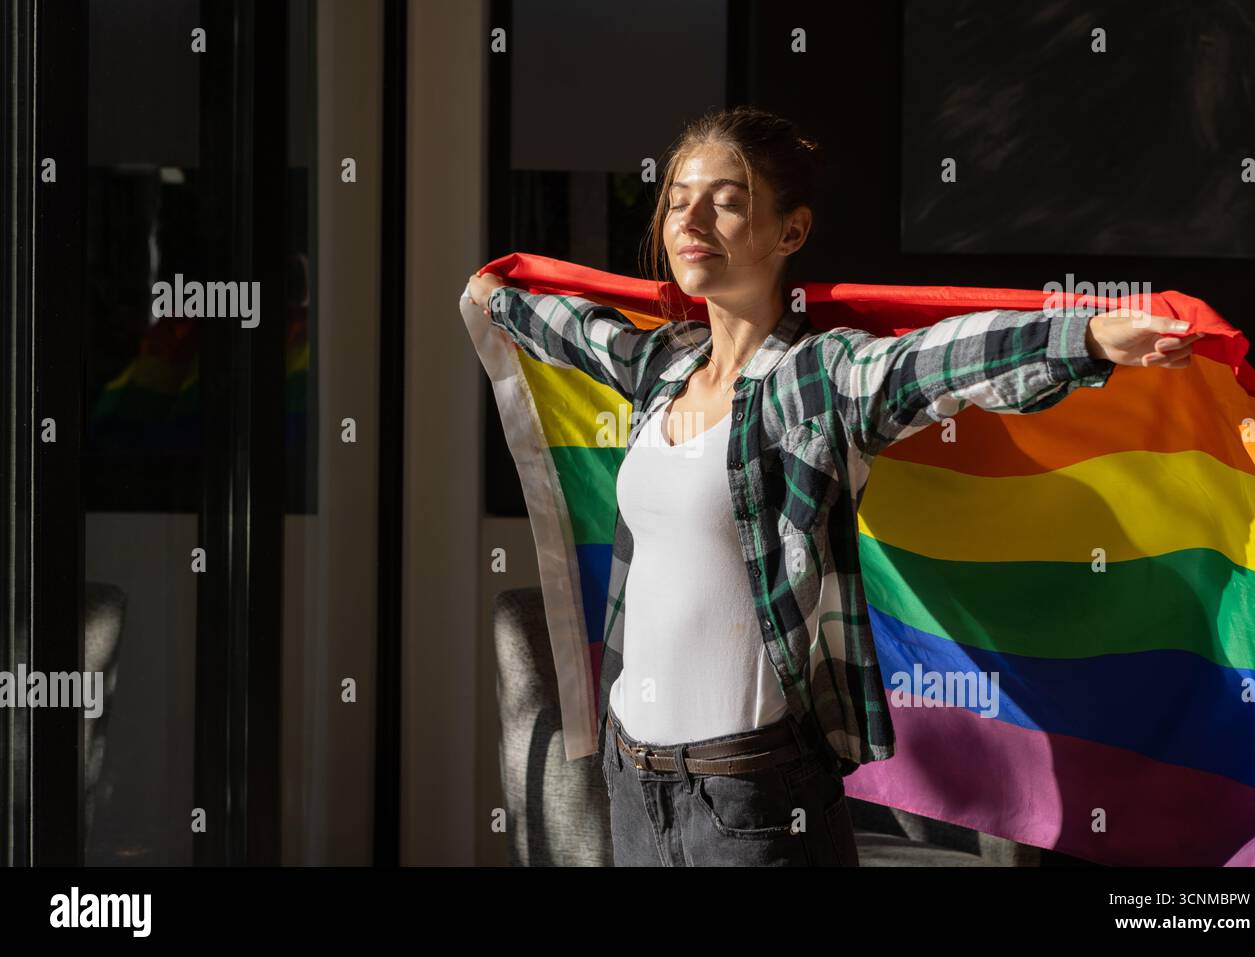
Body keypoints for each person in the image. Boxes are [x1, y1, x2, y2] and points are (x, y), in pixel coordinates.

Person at [464, 106, 1203, 867]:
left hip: (751, 797)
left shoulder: (818, 379)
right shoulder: (664, 368)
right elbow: (579, 331)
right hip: (633, 782)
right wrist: (496, 298)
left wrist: (1080, 337)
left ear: (791, 230)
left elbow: (937, 359)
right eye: (678, 196)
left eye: (726, 198)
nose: (690, 216)